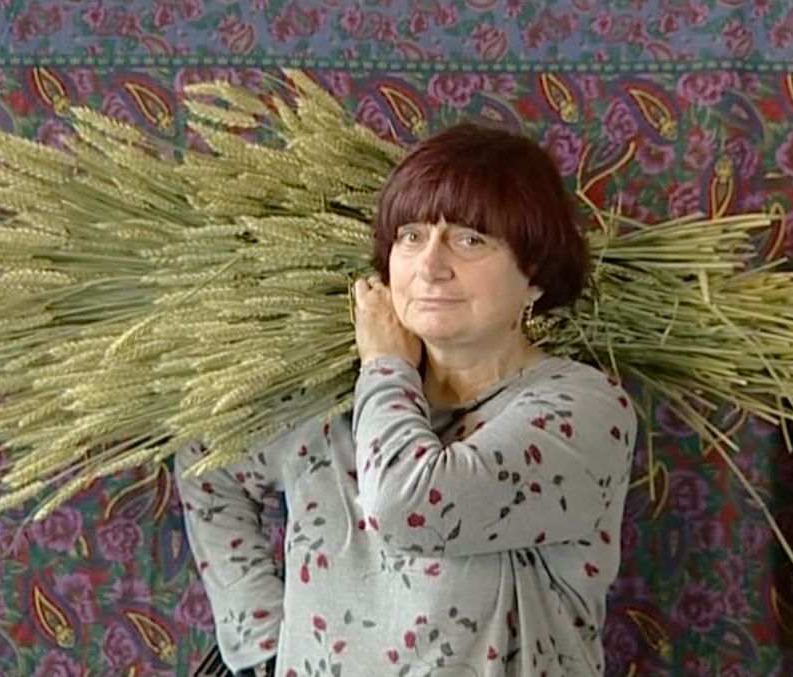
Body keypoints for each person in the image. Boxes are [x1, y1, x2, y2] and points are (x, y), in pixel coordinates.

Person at [176, 123, 637, 676]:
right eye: (411, 236)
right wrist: (263, 644)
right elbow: (207, 458)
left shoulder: (583, 411)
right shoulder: (331, 408)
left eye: (470, 240)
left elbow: (409, 507)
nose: (431, 266)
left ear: (535, 274)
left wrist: (384, 363)